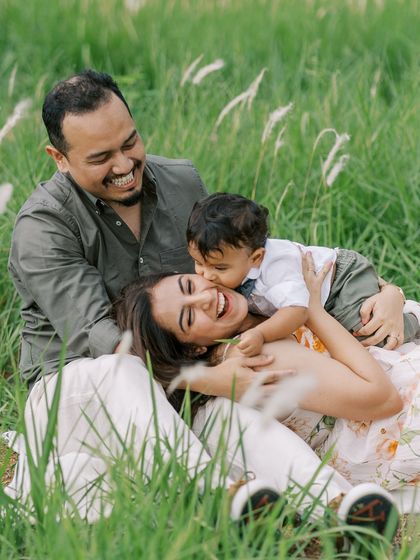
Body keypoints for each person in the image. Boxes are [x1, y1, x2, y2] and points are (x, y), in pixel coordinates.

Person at [4, 68, 408, 531]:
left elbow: (252, 273)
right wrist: (207, 378)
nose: (123, 165)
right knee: (126, 369)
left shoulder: (180, 183)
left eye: (130, 143)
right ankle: (211, 493)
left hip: (173, 387)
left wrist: (383, 291)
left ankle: (344, 510)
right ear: (58, 157)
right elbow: (103, 340)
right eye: (100, 157)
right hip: (73, 393)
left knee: (229, 417)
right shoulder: (43, 228)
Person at [113, 253, 420, 516]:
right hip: (399, 420)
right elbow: (381, 399)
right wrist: (312, 310)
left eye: (189, 286)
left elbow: (351, 279)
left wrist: (392, 293)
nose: (205, 298)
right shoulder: (253, 357)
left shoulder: (259, 301)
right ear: (192, 349)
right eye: (188, 316)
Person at [186, 193, 419, 356]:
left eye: (219, 268)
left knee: (366, 335)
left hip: (341, 281)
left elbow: (297, 312)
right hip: (321, 295)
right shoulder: (234, 261)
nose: (206, 275)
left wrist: (260, 334)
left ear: (256, 257)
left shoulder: (276, 268)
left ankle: (413, 320)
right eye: (198, 263)